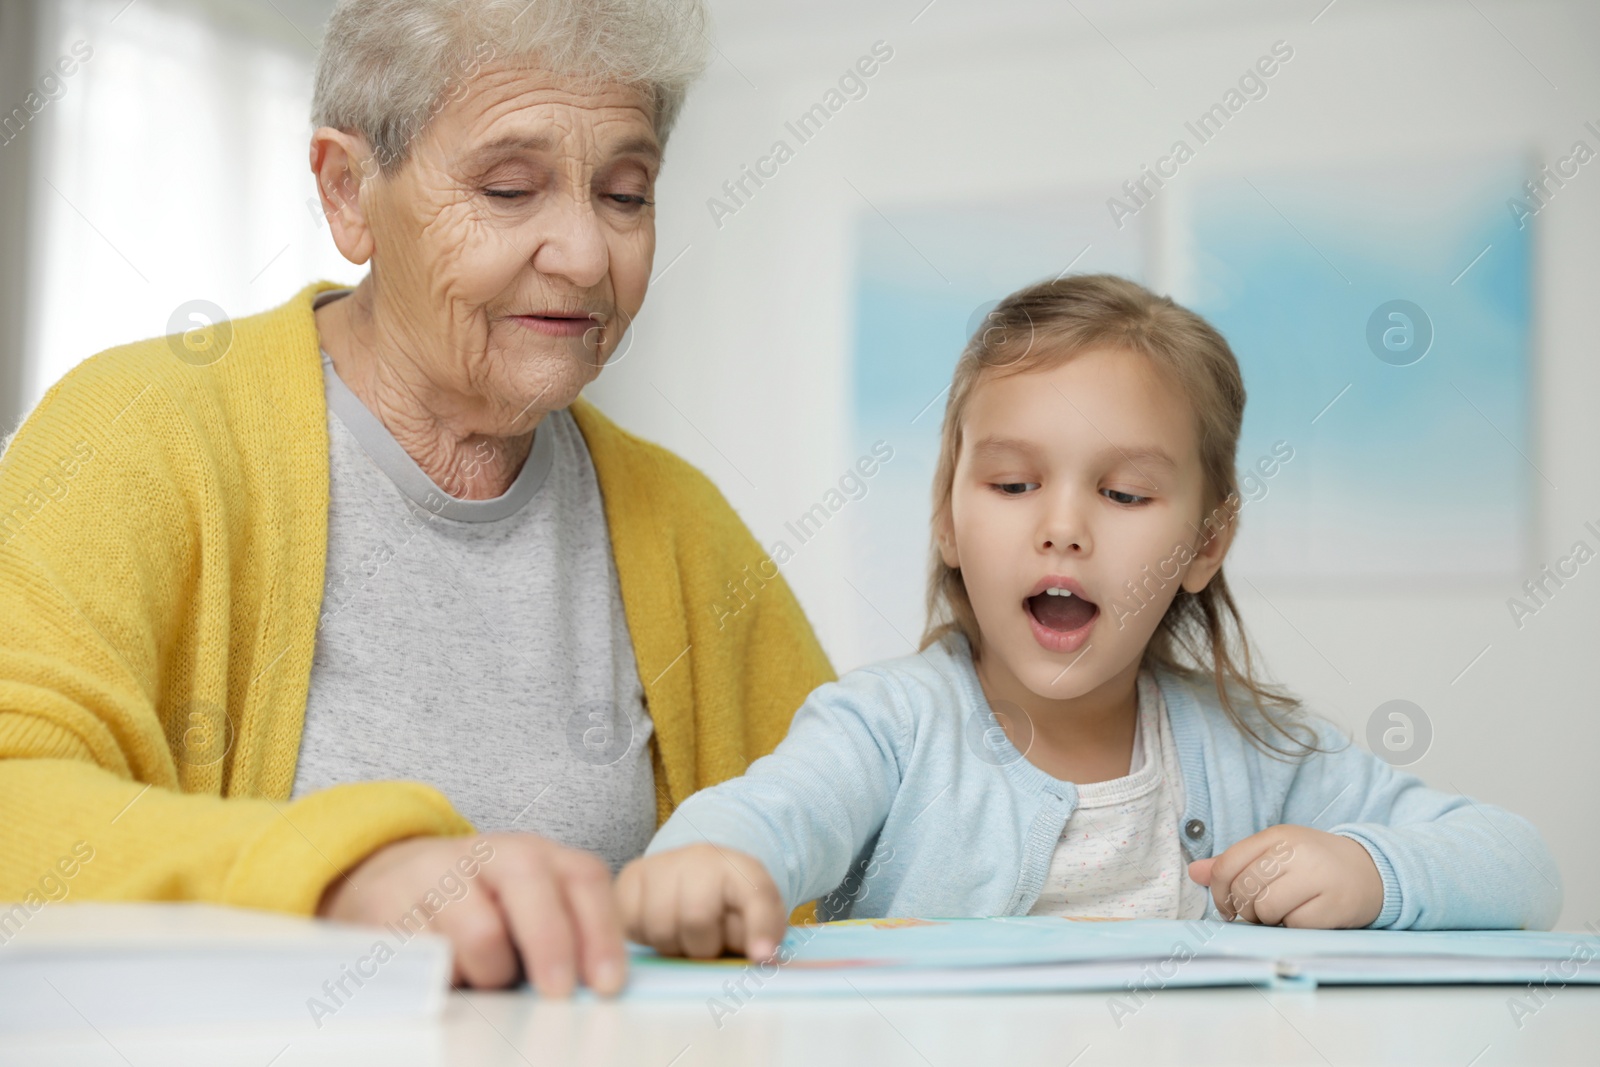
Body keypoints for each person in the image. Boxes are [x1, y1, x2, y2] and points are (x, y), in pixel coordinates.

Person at [0, 0, 834, 997]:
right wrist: (345, 870)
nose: (584, 253)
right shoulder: (138, 430)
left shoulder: (681, 524)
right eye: (510, 186)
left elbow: (849, 853)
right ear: (348, 193)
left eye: (624, 193)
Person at [615, 273, 1563, 963]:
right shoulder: (889, 727)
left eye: (1122, 492)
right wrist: (710, 862)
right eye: (1014, 482)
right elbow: (771, 813)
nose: (1062, 528)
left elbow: (1520, 867)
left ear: (1205, 543)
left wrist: (1368, 870)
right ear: (948, 515)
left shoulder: (1258, 752)